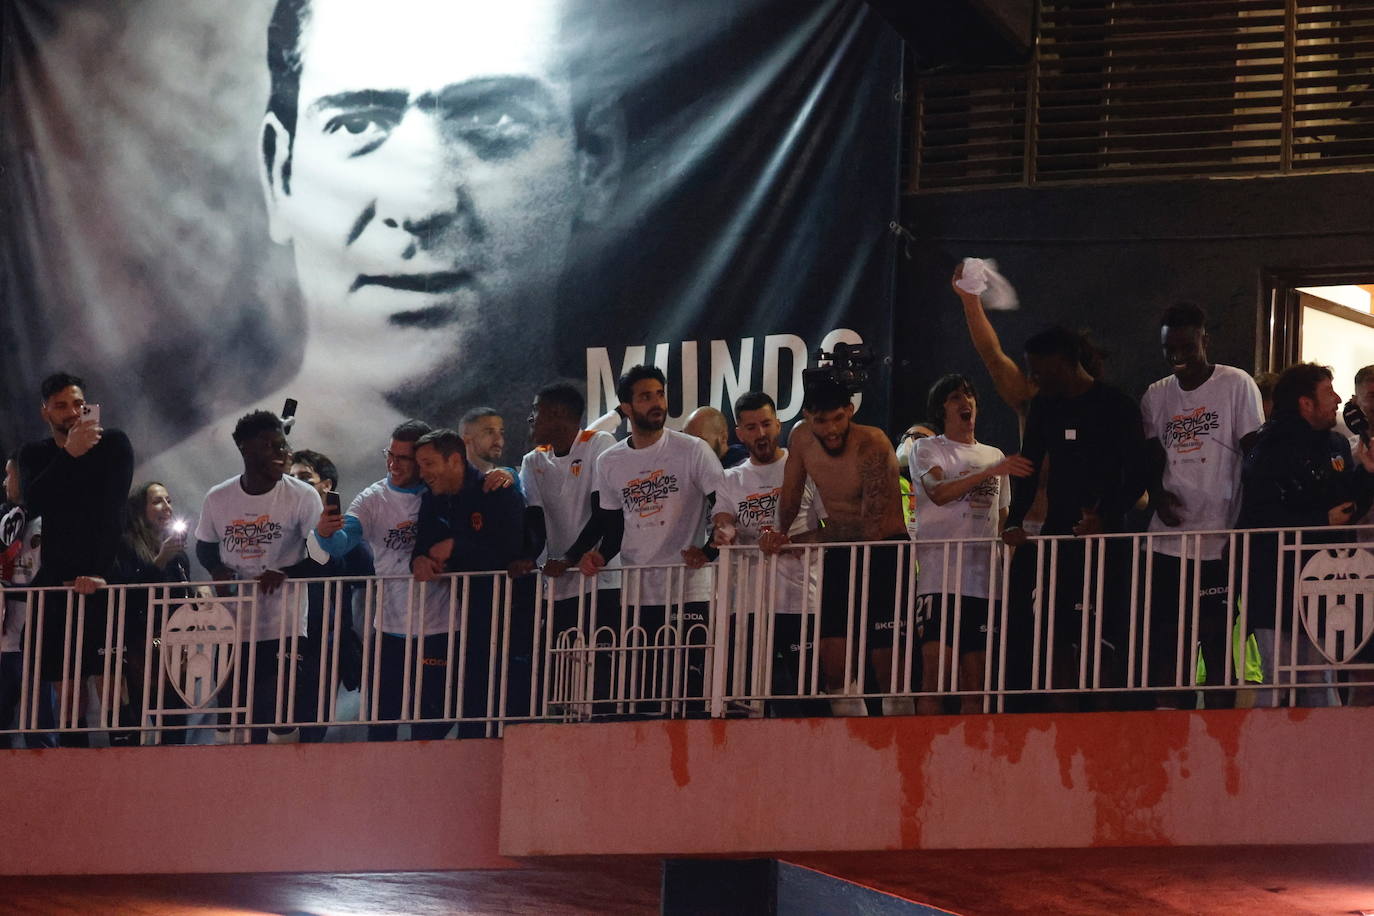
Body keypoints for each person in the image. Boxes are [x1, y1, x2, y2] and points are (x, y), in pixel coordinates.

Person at [137, 0, 627, 508]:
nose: (422, 204)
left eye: (492, 118)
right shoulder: (180, 494)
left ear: (596, 159)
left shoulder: (628, 457)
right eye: (356, 126)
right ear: (278, 173)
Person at [1002, 327, 1149, 709]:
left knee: (1102, 633)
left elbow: (1138, 473)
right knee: (1055, 631)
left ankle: (1102, 717)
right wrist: (1014, 520)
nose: (1033, 378)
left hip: (1108, 538)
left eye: (1038, 369)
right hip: (1058, 534)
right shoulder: (1045, 408)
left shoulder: (1116, 405)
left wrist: (1104, 516)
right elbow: (1028, 465)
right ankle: (1062, 719)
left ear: (1065, 363)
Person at [568, 365, 723, 712]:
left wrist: (709, 552)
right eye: (645, 396)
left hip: (688, 588)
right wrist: (599, 556)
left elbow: (724, 507)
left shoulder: (693, 450)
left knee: (688, 692)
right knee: (646, 690)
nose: (656, 403)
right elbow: (612, 525)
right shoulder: (610, 461)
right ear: (626, 407)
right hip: (637, 591)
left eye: (659, 394)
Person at [759, 376, 908, 714]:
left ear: (850, 411)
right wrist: (780, 532)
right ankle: (851, 748)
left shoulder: (872, 443)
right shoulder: (800, 438)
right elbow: (792, 492)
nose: (830, 429)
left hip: (886, 551)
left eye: (838, 418)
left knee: (887, 662)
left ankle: (902, 746)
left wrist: (802, 539)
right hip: (840, 550)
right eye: (821, 421)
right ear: (807, 417)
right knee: (832, 659)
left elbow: (871, 525)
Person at [1140, 303, 1264, 709]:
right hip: (1168, 541)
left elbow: (1254, 456)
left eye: (1186, 346)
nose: (1178, 356)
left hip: (1219, 537)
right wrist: (1158, 497)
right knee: (1169, 639)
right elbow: (1148, 461)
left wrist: (1241, 528)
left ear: (1205, 341)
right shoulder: (1156, 395)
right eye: (1169, 348)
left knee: (1215, 637)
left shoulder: (1235, 384)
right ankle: (1169, 734)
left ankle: (1219, 736)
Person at [1236, 362, 1374, 707]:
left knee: (1319, 678)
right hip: (1277, 584)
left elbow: (1347, 507)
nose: (1339, 400)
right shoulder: (1269, 449)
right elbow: (1260, 516)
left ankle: (1322, 759)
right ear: (1305, 403)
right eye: (1328, 392)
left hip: (1324, 583)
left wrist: (1369, 474)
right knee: (1278, 679)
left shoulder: (1337, 445)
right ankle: (1265, 757)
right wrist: (1319, 518)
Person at [18, 371, 135, 746]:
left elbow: (114, 510)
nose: (71, 412)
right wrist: (69, 454)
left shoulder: (114, 444)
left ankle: (128, 764)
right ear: (45, 412)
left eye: (78, 404)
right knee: (67, 690)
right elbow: (33, 502)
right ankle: (74, 772)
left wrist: (100, 574)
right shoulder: (34, 454)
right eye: (61, 406)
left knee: (112, 681)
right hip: (56, 579)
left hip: (103, 574)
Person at [194, 411, 324, 743]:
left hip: (284, 622)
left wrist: (284, 572)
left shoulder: (302, 496)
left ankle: (281, 788)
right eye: (269, 445)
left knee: (278, 713)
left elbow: (322, 559)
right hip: (233, 621)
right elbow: (205, 547)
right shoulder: (218, 497)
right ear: (244, 449)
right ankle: (235, 788)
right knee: (233, 719)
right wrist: (217, 570)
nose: (281, 452)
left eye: (283, 444)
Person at [313, 420, 441, 740]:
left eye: (403, 458)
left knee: (433, 723)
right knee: (381, 723)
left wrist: (505, 475)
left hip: (441, 626)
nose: (392, 464)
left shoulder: (442, 491)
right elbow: (343, 541)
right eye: (390, 454)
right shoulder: (372, 498)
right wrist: (325, 534)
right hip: (389, 627)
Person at [912, 375, 1031, 715]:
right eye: (954, 397)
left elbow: (1003, 515)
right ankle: (922, 758)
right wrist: (989, 471)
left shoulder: (993, 454)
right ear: (941, 409)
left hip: (983, 582)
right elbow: (938, 491)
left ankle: (972, 761)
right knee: (936, 676)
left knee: (976, 684)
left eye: (969, 394)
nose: (965, 401)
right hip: (939, 579)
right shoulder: (929, 448)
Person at [711, 391, 821, 716]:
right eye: (751, 427)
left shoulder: (805, 467)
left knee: (804, 704)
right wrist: (723, 532)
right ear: (739, 433)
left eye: (766, 424)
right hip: (747, 606)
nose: (761, 434)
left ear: (778, 424)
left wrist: (789, 541)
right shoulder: (731, 479)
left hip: (800, 602)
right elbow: (723, 518)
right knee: (748, 707)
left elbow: (834, 529)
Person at [411, 429, 526, 735]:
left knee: (508, 706)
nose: (422, 474)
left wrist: (456, 546)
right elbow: (421, 549)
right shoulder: (432, 501)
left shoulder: (497, 489)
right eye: (420, 466)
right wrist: (420, 562)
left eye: (428, 464)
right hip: (465, 620)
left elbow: (513, 550)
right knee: (470, 706)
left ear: (454, 460)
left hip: (513, 617)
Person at [513, 384, 619, 654]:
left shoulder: (599, 442)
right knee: (559, 674)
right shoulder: (532, 460)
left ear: (558, 413)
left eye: (536, 410)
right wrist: (528, 555)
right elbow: (535, 520)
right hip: (559, 585)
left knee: (602, 669)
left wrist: (569, 558)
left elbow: (603, 513)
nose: (531, 418)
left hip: (601, 579)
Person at [111, 482, 197, 745]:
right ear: (140, 509)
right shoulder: (124, 545)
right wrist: (159, 559)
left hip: (174, 650)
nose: (167, 507)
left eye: (169, 500)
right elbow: (127, 593)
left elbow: (181, 597)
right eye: (158, 501)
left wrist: (198, 597)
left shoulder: (179, 556)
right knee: (134, 727)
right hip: (137, 649)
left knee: (174, 728)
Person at [0, 454, 56, 748]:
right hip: (4, 637)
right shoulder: (3, 519)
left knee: (40, 729)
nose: (5, 482)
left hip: (35, 637)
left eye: (10, 475)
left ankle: (47, 789)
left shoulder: (50, 521)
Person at [684, 406, 748, 468]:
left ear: (723, 437)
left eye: (700, 442)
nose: (692, 450)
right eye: (688, 443)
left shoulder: (743, 473)